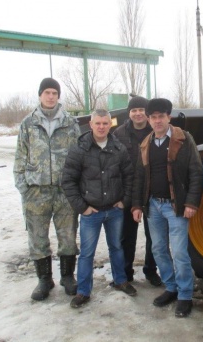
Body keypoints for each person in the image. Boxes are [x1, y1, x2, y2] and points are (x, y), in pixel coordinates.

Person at [131, 98, 203, 318]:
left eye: (161, 116)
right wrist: (136, 205)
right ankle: (171, 287)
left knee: (180, 252)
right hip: (153, 206)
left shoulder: (184, 139)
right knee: (158, 249)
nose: (157, 121)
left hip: (176, 207)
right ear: (149, 120)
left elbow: (196, 172)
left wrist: (191, 202)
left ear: (168, 117)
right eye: (153, 117)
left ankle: (185, 295)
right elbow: (139, 177)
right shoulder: (146, 143)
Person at [62, 109, 137, 309]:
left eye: (105, 123)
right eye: (98, 123)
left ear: (109, 124)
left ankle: (121, 280)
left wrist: (124, 201)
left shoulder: (118, 148)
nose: (102, 127)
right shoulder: (80, 149)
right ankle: (83, 291)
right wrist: (82, 207)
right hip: (91, 212)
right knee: (87, 253)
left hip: (114, 210)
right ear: (91, 124)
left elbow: (129, 176)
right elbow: (68, 181)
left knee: (117, 248)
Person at [13, 77, 80, 301]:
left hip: (64, 192)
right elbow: (20, 157)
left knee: (68, 235)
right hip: (36, 191)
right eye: (47, 92)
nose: (51, 96)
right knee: (37, 237)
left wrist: (76, 186)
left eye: (54, 93)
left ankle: (68, 276)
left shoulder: (70, 123)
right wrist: (24, 187)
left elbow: (79, 156)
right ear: (40, 95)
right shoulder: (28, 124)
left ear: (58, 96)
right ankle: (44, 279)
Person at [113, 96, 161, 287]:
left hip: (151, 191)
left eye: (142, 109)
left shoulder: (155, 130)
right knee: (126, 235)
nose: (138, 113)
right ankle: (126, 272)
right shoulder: (119, 133)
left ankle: (151, 270)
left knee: (154, 236)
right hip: (127, 191)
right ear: (129, 113)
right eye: (134, 110)